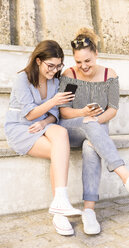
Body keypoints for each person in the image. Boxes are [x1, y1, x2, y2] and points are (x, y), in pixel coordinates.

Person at [58, 28, 129, 235]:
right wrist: (84, 115)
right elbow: (64, 112)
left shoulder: (108, 75)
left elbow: (113, 109)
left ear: (96, 55)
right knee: (89, 126)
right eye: (78, 61)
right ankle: (127, 177)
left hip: (96, 131)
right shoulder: (71, 75)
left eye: (87, 61)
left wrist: (94, 120)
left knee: (90, 145)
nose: (83, 66)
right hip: (70, 130)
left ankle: (89, 211)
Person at [4, 40, 81, 236]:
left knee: (61, 132)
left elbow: (54, 113)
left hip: (43, 125)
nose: (54, 70)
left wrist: (45, 123)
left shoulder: (55, 81)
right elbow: (29, 114)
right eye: (50, 65)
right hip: (21, 128)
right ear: (38, 61)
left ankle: (60, 202)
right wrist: (54, 101)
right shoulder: (23, 79)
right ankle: (60, 211)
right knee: (59, 153)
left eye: (59, 66)